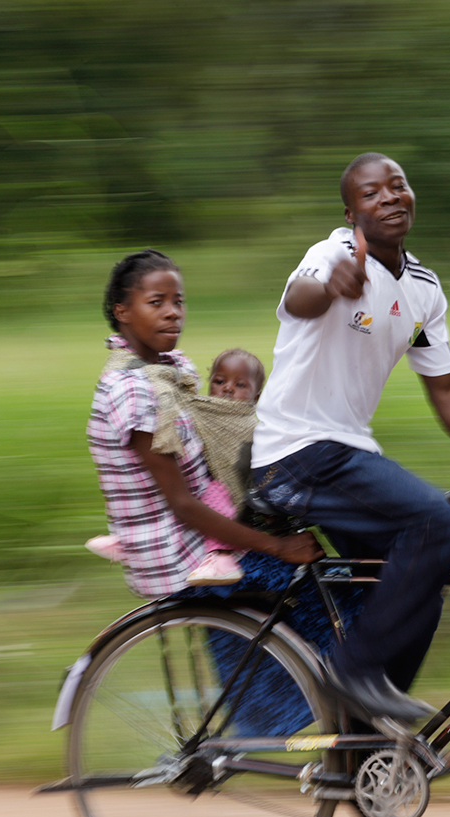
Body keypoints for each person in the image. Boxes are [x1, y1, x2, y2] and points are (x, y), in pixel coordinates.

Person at [251, 153, 450, 724]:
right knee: (439, 524)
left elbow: (445, 391)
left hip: (343, 453)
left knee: (419, 583)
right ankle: (350, 676)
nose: (390, 197)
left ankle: (372, 746)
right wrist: (332, 287)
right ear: (351, 213)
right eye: (371, 193)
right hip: (297, 453)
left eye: (398, 186)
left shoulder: (422, 289)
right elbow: (300, 296)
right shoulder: (335, 254)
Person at [87, 249, 323, 600]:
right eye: (156, 302)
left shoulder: (167, 371)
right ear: (122, 312)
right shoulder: (136, 392)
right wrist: (277, 546)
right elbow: (182, 503)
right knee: (322, 590)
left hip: (202, 534)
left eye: (178, 301)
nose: (173, 312)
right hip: (183, 557)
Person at [183, 348, 267, 585]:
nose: (228, 388)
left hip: (232, 497)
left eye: (240, 385)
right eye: (219, 382)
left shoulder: (251, 427)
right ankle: (133, 537)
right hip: (194, 482)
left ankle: (221, 556)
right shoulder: (199, 412)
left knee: (214, 493)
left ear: (256, 397)